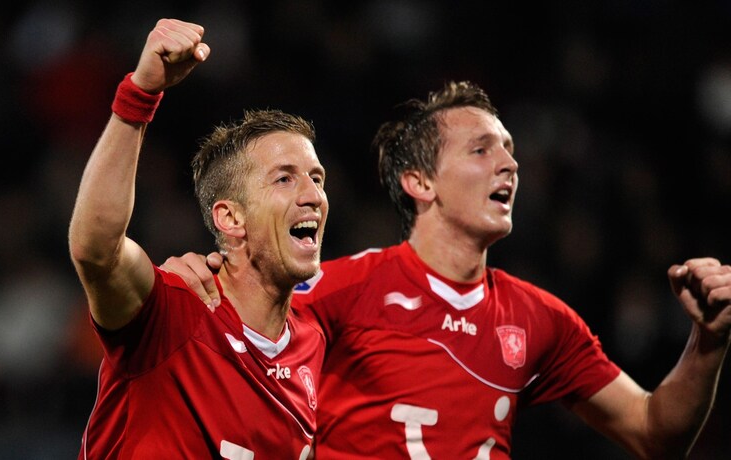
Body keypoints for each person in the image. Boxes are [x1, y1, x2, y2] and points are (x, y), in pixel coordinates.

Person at [162, 80, 731, 459]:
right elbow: (237, 327)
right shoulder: (342, 290)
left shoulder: (540, 319)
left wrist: (708, 341)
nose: (509, 162)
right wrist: (195, 278)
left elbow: (655, 433)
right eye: (481, 150)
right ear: (421, 183)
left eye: (509, 149)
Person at [68, 18, 328, 458]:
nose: (313, 195)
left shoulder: (314, 343)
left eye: (317, 178)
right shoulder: (170, 312)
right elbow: (97, 249)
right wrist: (140, 94)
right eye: (285, 179)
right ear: (230, 218)